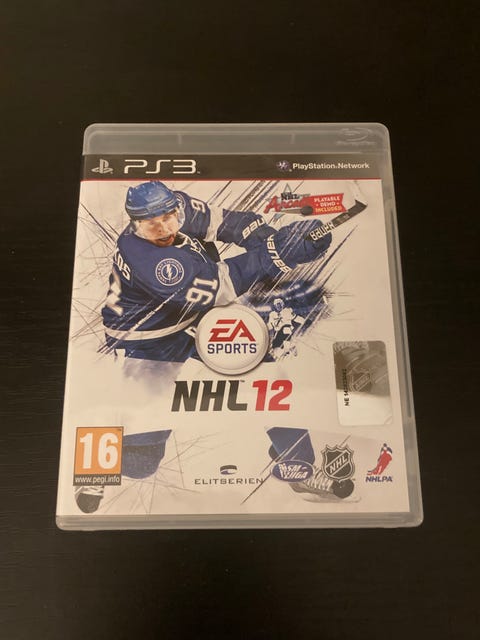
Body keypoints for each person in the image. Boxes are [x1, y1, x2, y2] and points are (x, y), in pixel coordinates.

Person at [101, 181, 333, 363]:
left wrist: (269, 238)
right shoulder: (151, 262)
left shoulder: (178, 204)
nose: (164, 230)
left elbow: (224, 222)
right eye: (151, 224)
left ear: (175, 208)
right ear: (136, 223)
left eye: (168, 218)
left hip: (181, 315)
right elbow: (221, 285)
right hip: (147, 342)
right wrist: (279, 253)